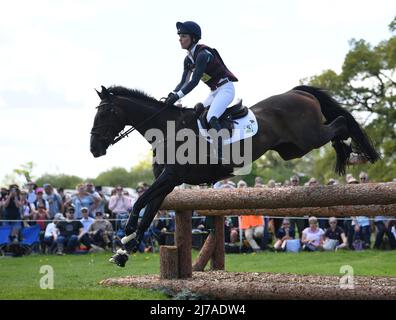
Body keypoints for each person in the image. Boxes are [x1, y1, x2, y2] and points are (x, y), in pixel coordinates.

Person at [165, 21, 238, 162]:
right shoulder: (188, 59)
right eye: (179, 36)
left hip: (226, 89)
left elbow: (194, 81)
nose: (180, 39)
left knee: (212, 117)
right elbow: (183, 82)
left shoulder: (203, 54)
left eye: (183, 36)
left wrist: (177, 96)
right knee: (196, 114)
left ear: (193, 38)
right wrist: (172, 94)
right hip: (214, 92)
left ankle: (222, 154)